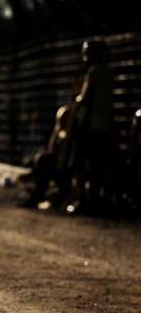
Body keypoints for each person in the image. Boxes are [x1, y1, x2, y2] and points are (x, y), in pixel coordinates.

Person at [67, 40, 114, 213]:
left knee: (79, 163)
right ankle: (96, 199)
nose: (84, 56)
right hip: (103, 125)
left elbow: (85, 99)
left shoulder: (93, 72)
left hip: (88, 125)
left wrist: (76, 99)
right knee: (97, 164)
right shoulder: (109, 73)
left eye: (86, 52)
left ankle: (81, 200)